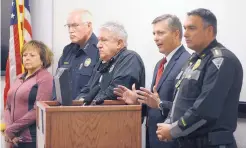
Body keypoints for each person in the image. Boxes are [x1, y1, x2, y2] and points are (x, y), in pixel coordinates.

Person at [156, 8, 243, 148]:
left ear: (209, 30)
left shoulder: (221, 60)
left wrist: (173, 130)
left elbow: (206, 110)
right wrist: (168, 123)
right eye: (185, 28)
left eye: (191, 28)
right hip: (188, 142)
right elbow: (183, 103)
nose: (185, 34)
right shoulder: (193, 60)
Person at [114, 14, 190, 148]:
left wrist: (160, 104)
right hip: (153, 139)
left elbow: (187, 107)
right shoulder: (160, 64)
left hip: (174, 141)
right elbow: (154, 103)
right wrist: (138, 101)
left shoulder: (187, 62)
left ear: (176, 34)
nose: (155, 38)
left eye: (160, 33)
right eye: (154, 33)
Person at [76, 21, 145, 103]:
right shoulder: (102, 62)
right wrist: (79, 101)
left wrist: (90, 103)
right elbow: (88, 89)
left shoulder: (130, 58)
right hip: (95, 113)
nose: (98, 45)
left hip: (118, 114)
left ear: (119, 43)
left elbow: (114, 92)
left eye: (103, 40)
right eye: (99, 40)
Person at [3, 40, 54, 148]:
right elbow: (8, 106)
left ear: (42, 59)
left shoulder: (45, 78)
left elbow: (38, 109)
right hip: (12, 137)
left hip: (30, 139)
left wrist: (12, 129)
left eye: (32, 55)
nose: (27, 58)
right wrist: (9, 129)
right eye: (25, 55)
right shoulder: (19, 77)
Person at [54, 9, 99, 99]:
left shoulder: (99, 50)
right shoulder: (68, 50)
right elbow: (56, 83)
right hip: (62, 110)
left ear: (89, 25)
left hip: (85, 110)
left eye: (75, 26)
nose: (70, 30)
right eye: (68, 26)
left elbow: (98, 87)